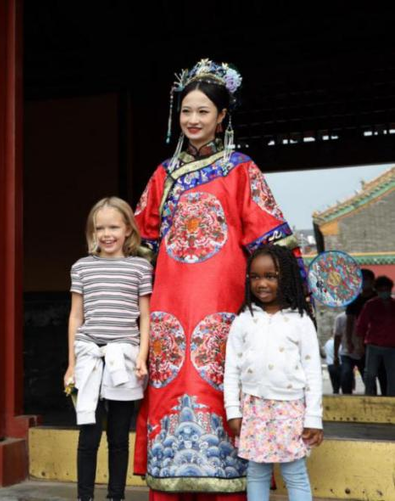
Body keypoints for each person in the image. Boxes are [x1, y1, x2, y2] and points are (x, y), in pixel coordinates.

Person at [132, 59, 303, 499]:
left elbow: (272, 241)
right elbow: (140, 244)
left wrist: (287, 296)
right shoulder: (162, 176)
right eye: (186, 111)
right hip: (169, 309)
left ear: (222, 116)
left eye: (203, 111)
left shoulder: (241, 170)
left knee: (221, 389)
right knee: (171, 386)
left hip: (223, 306)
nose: (193, 120)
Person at [65, 197, 152, 501]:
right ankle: (84, 496)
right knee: (88, 434)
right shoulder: (82, 267)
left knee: (118, 436)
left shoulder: (140, 268)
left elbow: (145, 315)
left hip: (124, 357)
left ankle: (117, 495)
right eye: (100, 228)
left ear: (128, 229)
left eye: (114, 226)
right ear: (92, 231)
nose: (107, 234)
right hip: (89, 355)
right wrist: (71, 364)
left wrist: (142, 357)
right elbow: (76, 315)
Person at [224, 245, 323, 501]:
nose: (262, 283)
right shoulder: (244, 319)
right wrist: (233, 410)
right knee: (256, 470)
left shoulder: (301, 321)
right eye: (255, 277)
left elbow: (313, 373)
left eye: (271, 276)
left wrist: (313, 418)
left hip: (290, 409)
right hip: (254, 408)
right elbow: (231, 369)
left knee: (295, 471)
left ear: (287, 277)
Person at [336, 269, 374, 393]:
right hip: (354, 344)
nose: (364, 282)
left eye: (367, 279)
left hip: (373, 343)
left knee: (369, 375)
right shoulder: (354, 301)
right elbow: (350, 322)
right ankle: (347, 398)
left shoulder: (376, 299)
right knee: (346, 373)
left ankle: (372, 396)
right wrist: (350, 342)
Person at [357, 276, 395, 396]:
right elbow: (361, 326)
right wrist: (360, 345)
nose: (384, 292)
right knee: (370, 374)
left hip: (392, 347)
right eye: (381, 290)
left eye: (386, 289)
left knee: (392, 375)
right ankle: (369, 396)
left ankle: (391, 399)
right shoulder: (371, 305)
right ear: (377, 291)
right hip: (374, 345)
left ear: (390, 289)